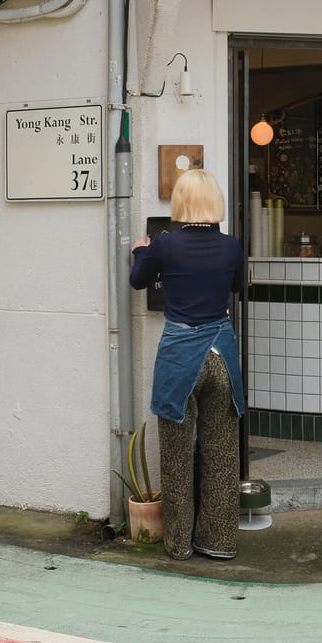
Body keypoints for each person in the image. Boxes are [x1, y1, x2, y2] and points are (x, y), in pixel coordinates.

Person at [129, 169, 245, 561]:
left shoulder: (165, 245)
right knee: (221, 452)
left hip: (181, 357)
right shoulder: (232, 247)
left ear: (181, 202)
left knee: (177, 456)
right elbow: (238, 288)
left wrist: (140, 250)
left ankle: (179, 544)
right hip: (221, 356)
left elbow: (137, 281)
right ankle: (220, 541)